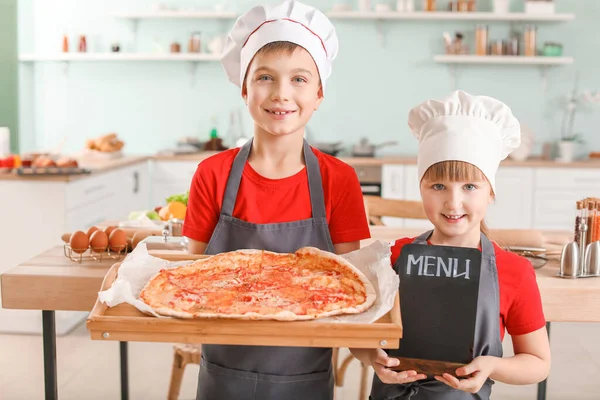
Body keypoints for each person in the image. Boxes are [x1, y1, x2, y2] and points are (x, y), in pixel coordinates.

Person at [182, 1, 371, 399]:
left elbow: (351, 287)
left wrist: (369, 348)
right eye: (265, 77)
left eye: (299, 79)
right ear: (245, 89)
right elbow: (191, 280)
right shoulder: (212, 174)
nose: (282, 94)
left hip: (305, 371)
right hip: (223, 371)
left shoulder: (340, 180)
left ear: (319, 93)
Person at [350, 90, 551, 399]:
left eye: (470, 186)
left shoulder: (514, 271)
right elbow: (357, 332)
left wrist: (491, 366)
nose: (453, 202)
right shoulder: (393, 256)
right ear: (421, 189)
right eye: (438, 185)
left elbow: (537, 363)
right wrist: (371, 356)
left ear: (490, 192)